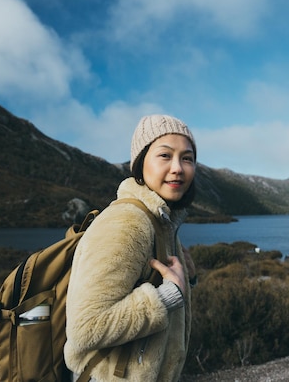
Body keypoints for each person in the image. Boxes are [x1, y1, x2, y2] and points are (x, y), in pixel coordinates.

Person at [64, 114, 197, 382]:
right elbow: (85, 327)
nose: (178, 168)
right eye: (165, 155)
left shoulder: (162, 221)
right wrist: (169, 296)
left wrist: (188, 279)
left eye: (187, 158)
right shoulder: (127, 222)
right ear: (140, 163)